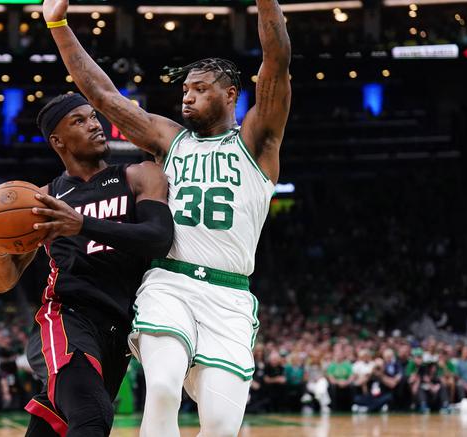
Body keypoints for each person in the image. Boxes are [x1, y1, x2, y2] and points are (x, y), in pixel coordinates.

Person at [41, 0, 291, 434]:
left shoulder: (257, 142)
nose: (187, 97)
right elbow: (102, 96)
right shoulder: (170, 140)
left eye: (199, 89)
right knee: (160, 388)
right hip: (169, 282)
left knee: (220, 425)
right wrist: (58, 24)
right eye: (185, 91)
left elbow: (277, 62)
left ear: (231, 94)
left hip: (229, 297)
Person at [0, 93, 173, 436]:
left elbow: (158, 238)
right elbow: (2, 282)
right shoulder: (42, 201)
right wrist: (0, 248)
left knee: (58, 426)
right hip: (67, 317)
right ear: (58, 141)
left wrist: (82, 224)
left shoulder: (139, 176)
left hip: (120, 327)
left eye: (94, 117)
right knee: (92, 417)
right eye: (79, 121)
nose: (95, 125)